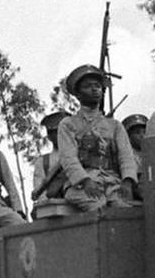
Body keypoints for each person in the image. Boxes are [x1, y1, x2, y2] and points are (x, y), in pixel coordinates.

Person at [57, 64, 138, 212]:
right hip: (81, 184)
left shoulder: (115, 126)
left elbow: (126, 156)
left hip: (112, 182)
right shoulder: (68, 125)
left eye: (97, 86)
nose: (94, 89)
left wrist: (127, 181)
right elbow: (68, 158)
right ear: (78, 94)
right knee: (98, 206)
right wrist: (85, 181)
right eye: (87, 86)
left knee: (125, 211)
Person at [31, 111, 68, 201]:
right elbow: (40, 194)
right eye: (52, 132)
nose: (55, 135)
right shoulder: (42, 162)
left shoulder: (79, 155)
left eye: (58, 131)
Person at [122, 113, 148, 200]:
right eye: (137, 133)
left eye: (144, 132)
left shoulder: (151, 152)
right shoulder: (127, 154)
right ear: (128, 137)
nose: (142, 136)